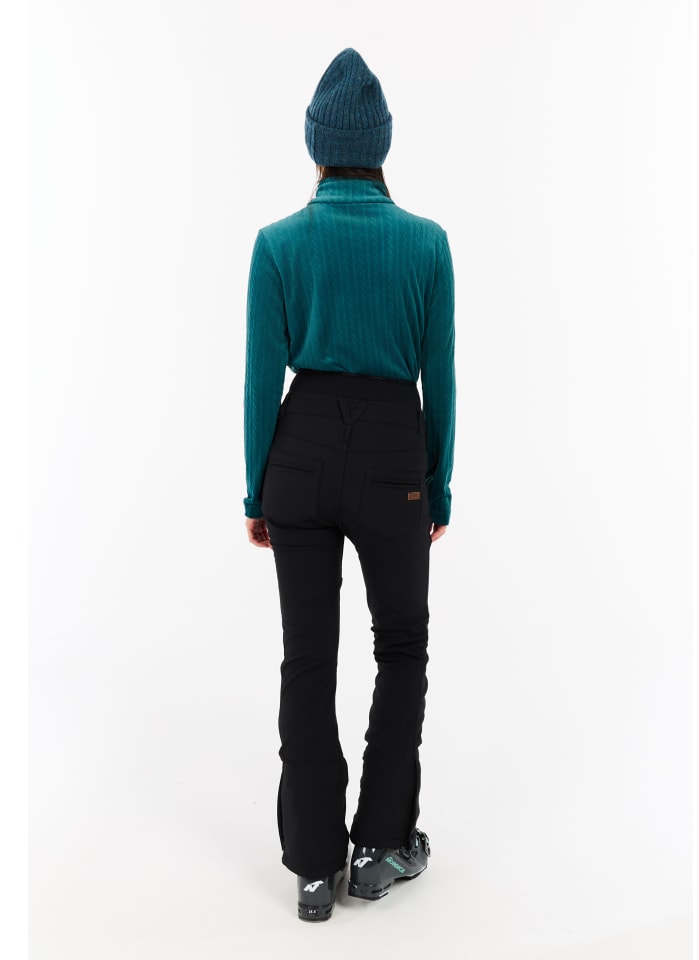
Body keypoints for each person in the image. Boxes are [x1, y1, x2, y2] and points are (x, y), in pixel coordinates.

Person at [243, 48, 456, 922]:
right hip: (393, 457)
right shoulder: (427, 245)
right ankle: (378, 847)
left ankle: (311, 866)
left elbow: (261, 381)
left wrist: (257, 492)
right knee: (400, 646)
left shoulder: (278, 245)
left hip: (298, 455)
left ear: (316, 146)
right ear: (382, 147)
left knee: (308, 654)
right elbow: (441, 380)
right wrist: (437, 488)